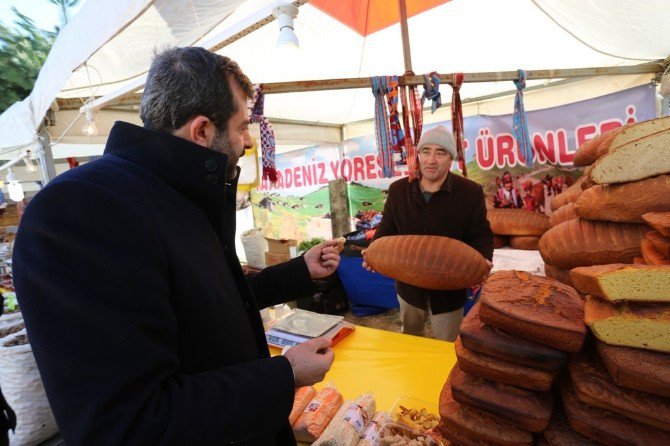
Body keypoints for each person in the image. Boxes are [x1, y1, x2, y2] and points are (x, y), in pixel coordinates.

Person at [13, 47, 340, 445]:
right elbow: (127, 424)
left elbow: (211, 304)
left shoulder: (173, 197)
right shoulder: (83, 210)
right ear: (202, 130)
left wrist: (299, 271)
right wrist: (284, 374)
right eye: (240, 127)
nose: (248, 141)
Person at [363, 125, 493, 341]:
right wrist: (373, 251)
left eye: (440, 153)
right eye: (426, 151)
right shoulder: (398, 191)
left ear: (450, 158)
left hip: (449, 288)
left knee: (448, 344)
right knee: (411, 337)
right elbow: (387, 228)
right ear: (419, 155)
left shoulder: (469, 192)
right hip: (408, 285)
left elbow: (480, 233)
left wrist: (484, 259)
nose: (431, 159)